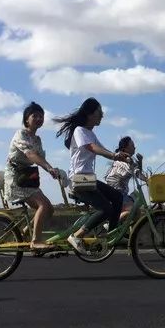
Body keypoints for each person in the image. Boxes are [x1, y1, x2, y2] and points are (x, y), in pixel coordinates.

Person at [54, 97, 129, 255]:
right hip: (79, 180)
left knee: (117, 197)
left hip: (88, 179)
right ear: (89, 114)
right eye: (99, 112)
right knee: (106, 208)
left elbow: (102, 148)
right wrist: (114, 156)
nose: (102, 115)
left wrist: (117, 155)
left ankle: (112, 234)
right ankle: (76, 236)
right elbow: (93, 148)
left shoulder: (89, 133)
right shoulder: (80, 130)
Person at [4, 102, 60, 250]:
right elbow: (30, 154)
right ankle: (35, 241)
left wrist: (53, 169)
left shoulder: (37, 139)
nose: (39, 118)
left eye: (41, 116)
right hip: (16, 178)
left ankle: (26, 234)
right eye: (35, 115)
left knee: (49, 209)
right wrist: (48, 168)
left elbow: (40, 158)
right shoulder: (20, 134)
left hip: (27, 178)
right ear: (26, 119)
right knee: (43, 205)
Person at [104, 136, 148, 222]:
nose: (134, 148)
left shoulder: (127, 160)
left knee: (137, 201)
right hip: (117, 193)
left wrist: (140, 162)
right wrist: (147, 180)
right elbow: (137, 173)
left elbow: (137, 171)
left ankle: (127, 230)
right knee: (134, 211)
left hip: (120, 192)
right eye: (132, 146)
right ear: (125, 148)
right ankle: (112, 223)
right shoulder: (123, 160)